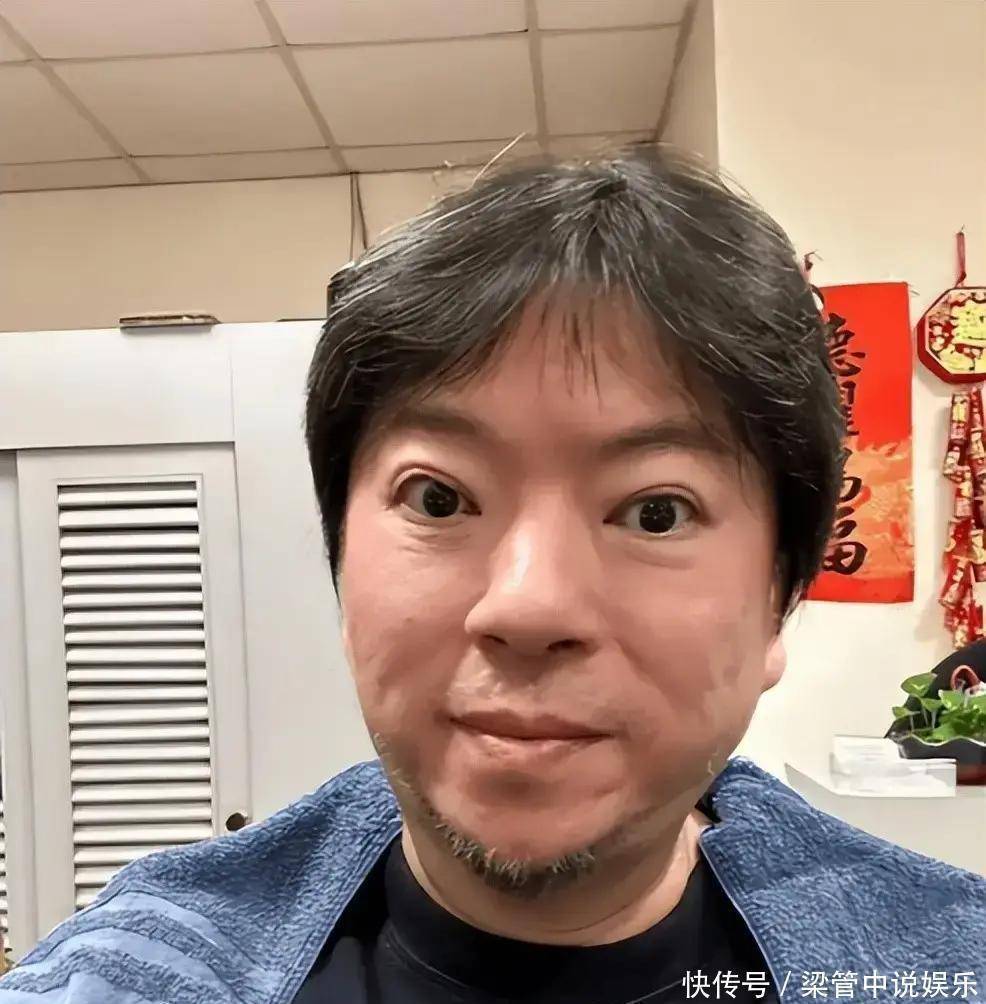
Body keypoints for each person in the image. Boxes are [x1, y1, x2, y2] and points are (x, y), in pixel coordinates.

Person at [2, 144, 984, 1003]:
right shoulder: (129, 970)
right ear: (342, 574)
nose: (528, 603)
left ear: (777, 602)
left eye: (655, 510)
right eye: (438, 498)